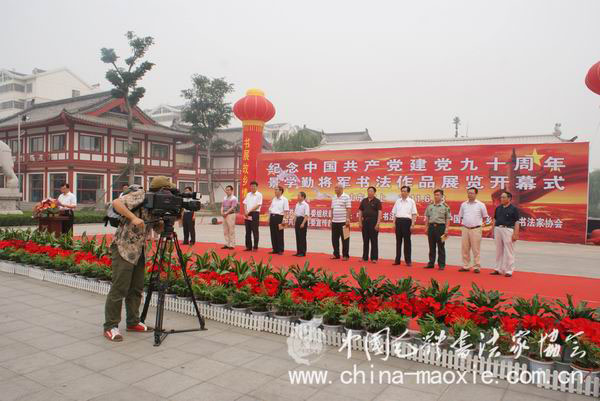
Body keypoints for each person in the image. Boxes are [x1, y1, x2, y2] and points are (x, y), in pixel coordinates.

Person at [103, 175, 172, 342]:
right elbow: (116, 203)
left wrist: (169, 220)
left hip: (139, 250)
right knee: (120, 287)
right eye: (168, 190)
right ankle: (110, 326)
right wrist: (133, 217)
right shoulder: (141, 195)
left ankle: (133, 322)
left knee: (136, 288)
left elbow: (157, 227)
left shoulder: (158, 205)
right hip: (124, 248)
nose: (170, 194)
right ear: (161, 190)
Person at [458, 187, 490, 273]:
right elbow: (460, 216)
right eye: (468, 193)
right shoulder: (463, 204)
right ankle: (466, 266)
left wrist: (482, 225)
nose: (470, 195)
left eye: (472, 193)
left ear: (476, 194)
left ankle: (476, 267)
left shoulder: (481, 205)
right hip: (465, 228)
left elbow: (485, 217)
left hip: (476, 229)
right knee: (465, 248)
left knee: (476, 249)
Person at [491, 191, 520, 277]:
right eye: (501, 197)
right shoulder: (498, 208)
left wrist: (516, 234)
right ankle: (498, 269)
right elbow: (494, 220)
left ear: (509, 199)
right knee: (498, 250)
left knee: (509, 251)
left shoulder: (514, 209)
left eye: (503, 197)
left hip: (508, 230)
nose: (501, 199)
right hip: (498, 229)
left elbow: (517, 222)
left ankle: (509, 270)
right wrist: (493, 231)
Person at [424, 189, 451, 270]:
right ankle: (431, 263)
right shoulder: (430, 206)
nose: (436, 196)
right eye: (435, 195)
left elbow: (448, 219)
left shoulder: (445, 207)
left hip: (441, 228)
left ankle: (441, 264)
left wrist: (446, 229)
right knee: (431, 246)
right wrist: (426, 227)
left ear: (442, 196)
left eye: (438, 195)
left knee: (441, 247)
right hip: (431, 227)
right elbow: (427, 217)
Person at [391, 186, 417, 266]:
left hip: (407, 222)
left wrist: (412, 224)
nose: (403, 193)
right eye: (402, 191)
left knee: (407, 242)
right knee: (398, 242)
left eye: (405, 191)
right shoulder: (398, 201)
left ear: (408, 192)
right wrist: (394, 223)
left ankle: (408, 261)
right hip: (398, 222)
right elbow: (394, 213)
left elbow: (414, 214)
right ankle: (397, 260)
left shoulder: (411, 201)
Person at [358, 186, 382, 263]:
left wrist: (377, 224)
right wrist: (360, 222)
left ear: (374, 192)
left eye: (371, 191)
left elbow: (380, 213)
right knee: (365, 240)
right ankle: (364, 257)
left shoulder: (377, 201)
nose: (369, 192)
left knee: (374, 241)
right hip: (365, 222)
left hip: (373, 222)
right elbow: (360, 211)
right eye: (368, 191)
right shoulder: (364, 201)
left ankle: (374, 258)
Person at [330, 184, 351, 260]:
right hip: (335, 221)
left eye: (337, 188)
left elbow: (348, 209)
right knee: (334, 239)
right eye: (335, 188)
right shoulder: (334, 197)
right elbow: (332, 209)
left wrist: (347, 219)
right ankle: (336, 254)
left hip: (344, 222)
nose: (335, 189)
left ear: (341, 189)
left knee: (345, 238)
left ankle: (345, 255)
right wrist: (331, 219)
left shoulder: (346, 197)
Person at [268, 186, 289, 255]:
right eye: (275, 190)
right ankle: (275, 249)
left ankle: (280, 250)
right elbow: (271, 209)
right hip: (272, 217)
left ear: (280, 191)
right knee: (273, 233)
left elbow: (286, 211)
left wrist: (284, 220)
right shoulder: (274, 199)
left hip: (280, 217)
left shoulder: (284, 199)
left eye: (276, 190)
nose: (275, 191)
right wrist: (269, 218)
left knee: (279, 234)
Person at [243, 181, 263, 251]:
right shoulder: (248, 194)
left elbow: (258, 205)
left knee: (255, 230)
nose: (252, 187)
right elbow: (245, 203)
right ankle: (248, 246)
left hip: (254, 214)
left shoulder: (259, 195)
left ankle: (255, 247)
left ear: (257, 187)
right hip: (247, 214)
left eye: (254, 186)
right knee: (247, 230)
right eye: (251, 186)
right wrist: (245, 211)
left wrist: (249, 211)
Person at [293, 191, 310, 257]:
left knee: (302, 237)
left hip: (302, 220)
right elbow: (296, 213)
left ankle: (303, 252)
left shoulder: (306, 205)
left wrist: (303, 223)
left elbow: (306, 215)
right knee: (298, 237)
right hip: (297, 220)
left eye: (299, 196)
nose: (297, 197)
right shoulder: (297, 204)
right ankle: (298, 251)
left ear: (303, 197)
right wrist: (294, 219)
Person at [221, 185, 238, 250]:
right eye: (226, 190)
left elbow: (233, 207)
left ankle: (232, 245)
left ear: (232, 190)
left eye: (228, 190)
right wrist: (222, 212)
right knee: (225, 230)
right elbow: (222, 206)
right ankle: (227, 244)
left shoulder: (234, 198)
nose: (227, 191)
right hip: (224, 215)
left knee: (231, 230)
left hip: (231, 215)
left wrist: (226, 213)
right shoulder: (224, 198)